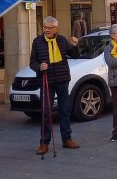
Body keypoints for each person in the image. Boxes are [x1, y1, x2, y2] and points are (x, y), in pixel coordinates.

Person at [30, 16, 81, 154]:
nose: (46, 30)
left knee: (64, 110)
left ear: (56, 29)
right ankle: (44, 142)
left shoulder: (63, 40)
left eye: (49, 28)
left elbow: (74, 55)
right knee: (46, 112)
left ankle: (67, 139)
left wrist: (75, 45)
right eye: (45, 27)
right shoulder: (37, 42)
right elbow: (32, 63)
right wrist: (39, 66)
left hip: (62, 79)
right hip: (46, 81)